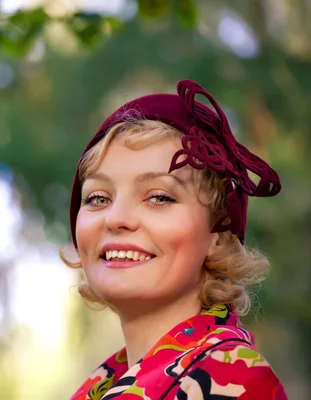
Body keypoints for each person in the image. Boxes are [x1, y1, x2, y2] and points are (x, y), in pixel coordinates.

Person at [62, 80, 288, 399]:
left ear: (218, 237)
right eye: (98, 198)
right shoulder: (103, 387)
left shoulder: (234, 381)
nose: (116, 218)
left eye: (159, 197)